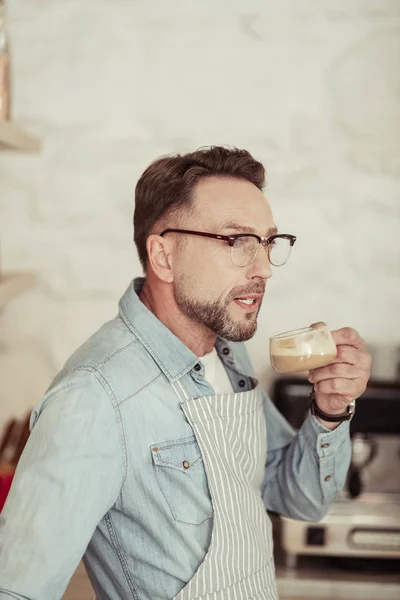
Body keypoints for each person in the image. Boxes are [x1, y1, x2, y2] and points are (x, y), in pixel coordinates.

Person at [0, 146, 371, 600]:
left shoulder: (229, 355)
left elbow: (299, 498)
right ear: (164, 257)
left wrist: (329, 413)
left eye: (268, 242)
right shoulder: (94, 397)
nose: (263, 269)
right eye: (237, 242)